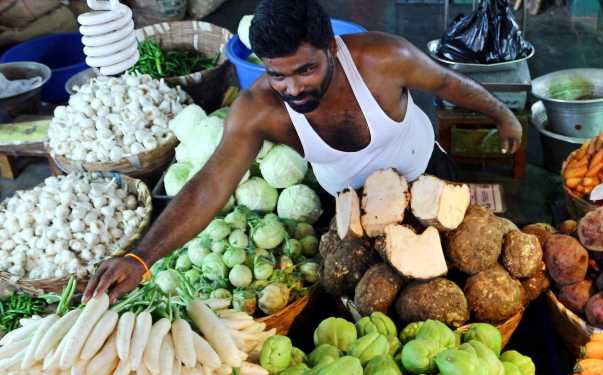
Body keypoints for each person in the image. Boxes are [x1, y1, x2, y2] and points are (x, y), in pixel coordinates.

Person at [83, 0, 522, 301]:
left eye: (306, 69)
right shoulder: (258, 109)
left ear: (332, 47)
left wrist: (502, 114)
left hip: (427, 178)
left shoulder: (384, 58)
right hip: (352, 210)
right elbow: (210, 184)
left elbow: (449, 83)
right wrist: (142, 256)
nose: (292, 88)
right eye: (278, 75)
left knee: (454, 276)